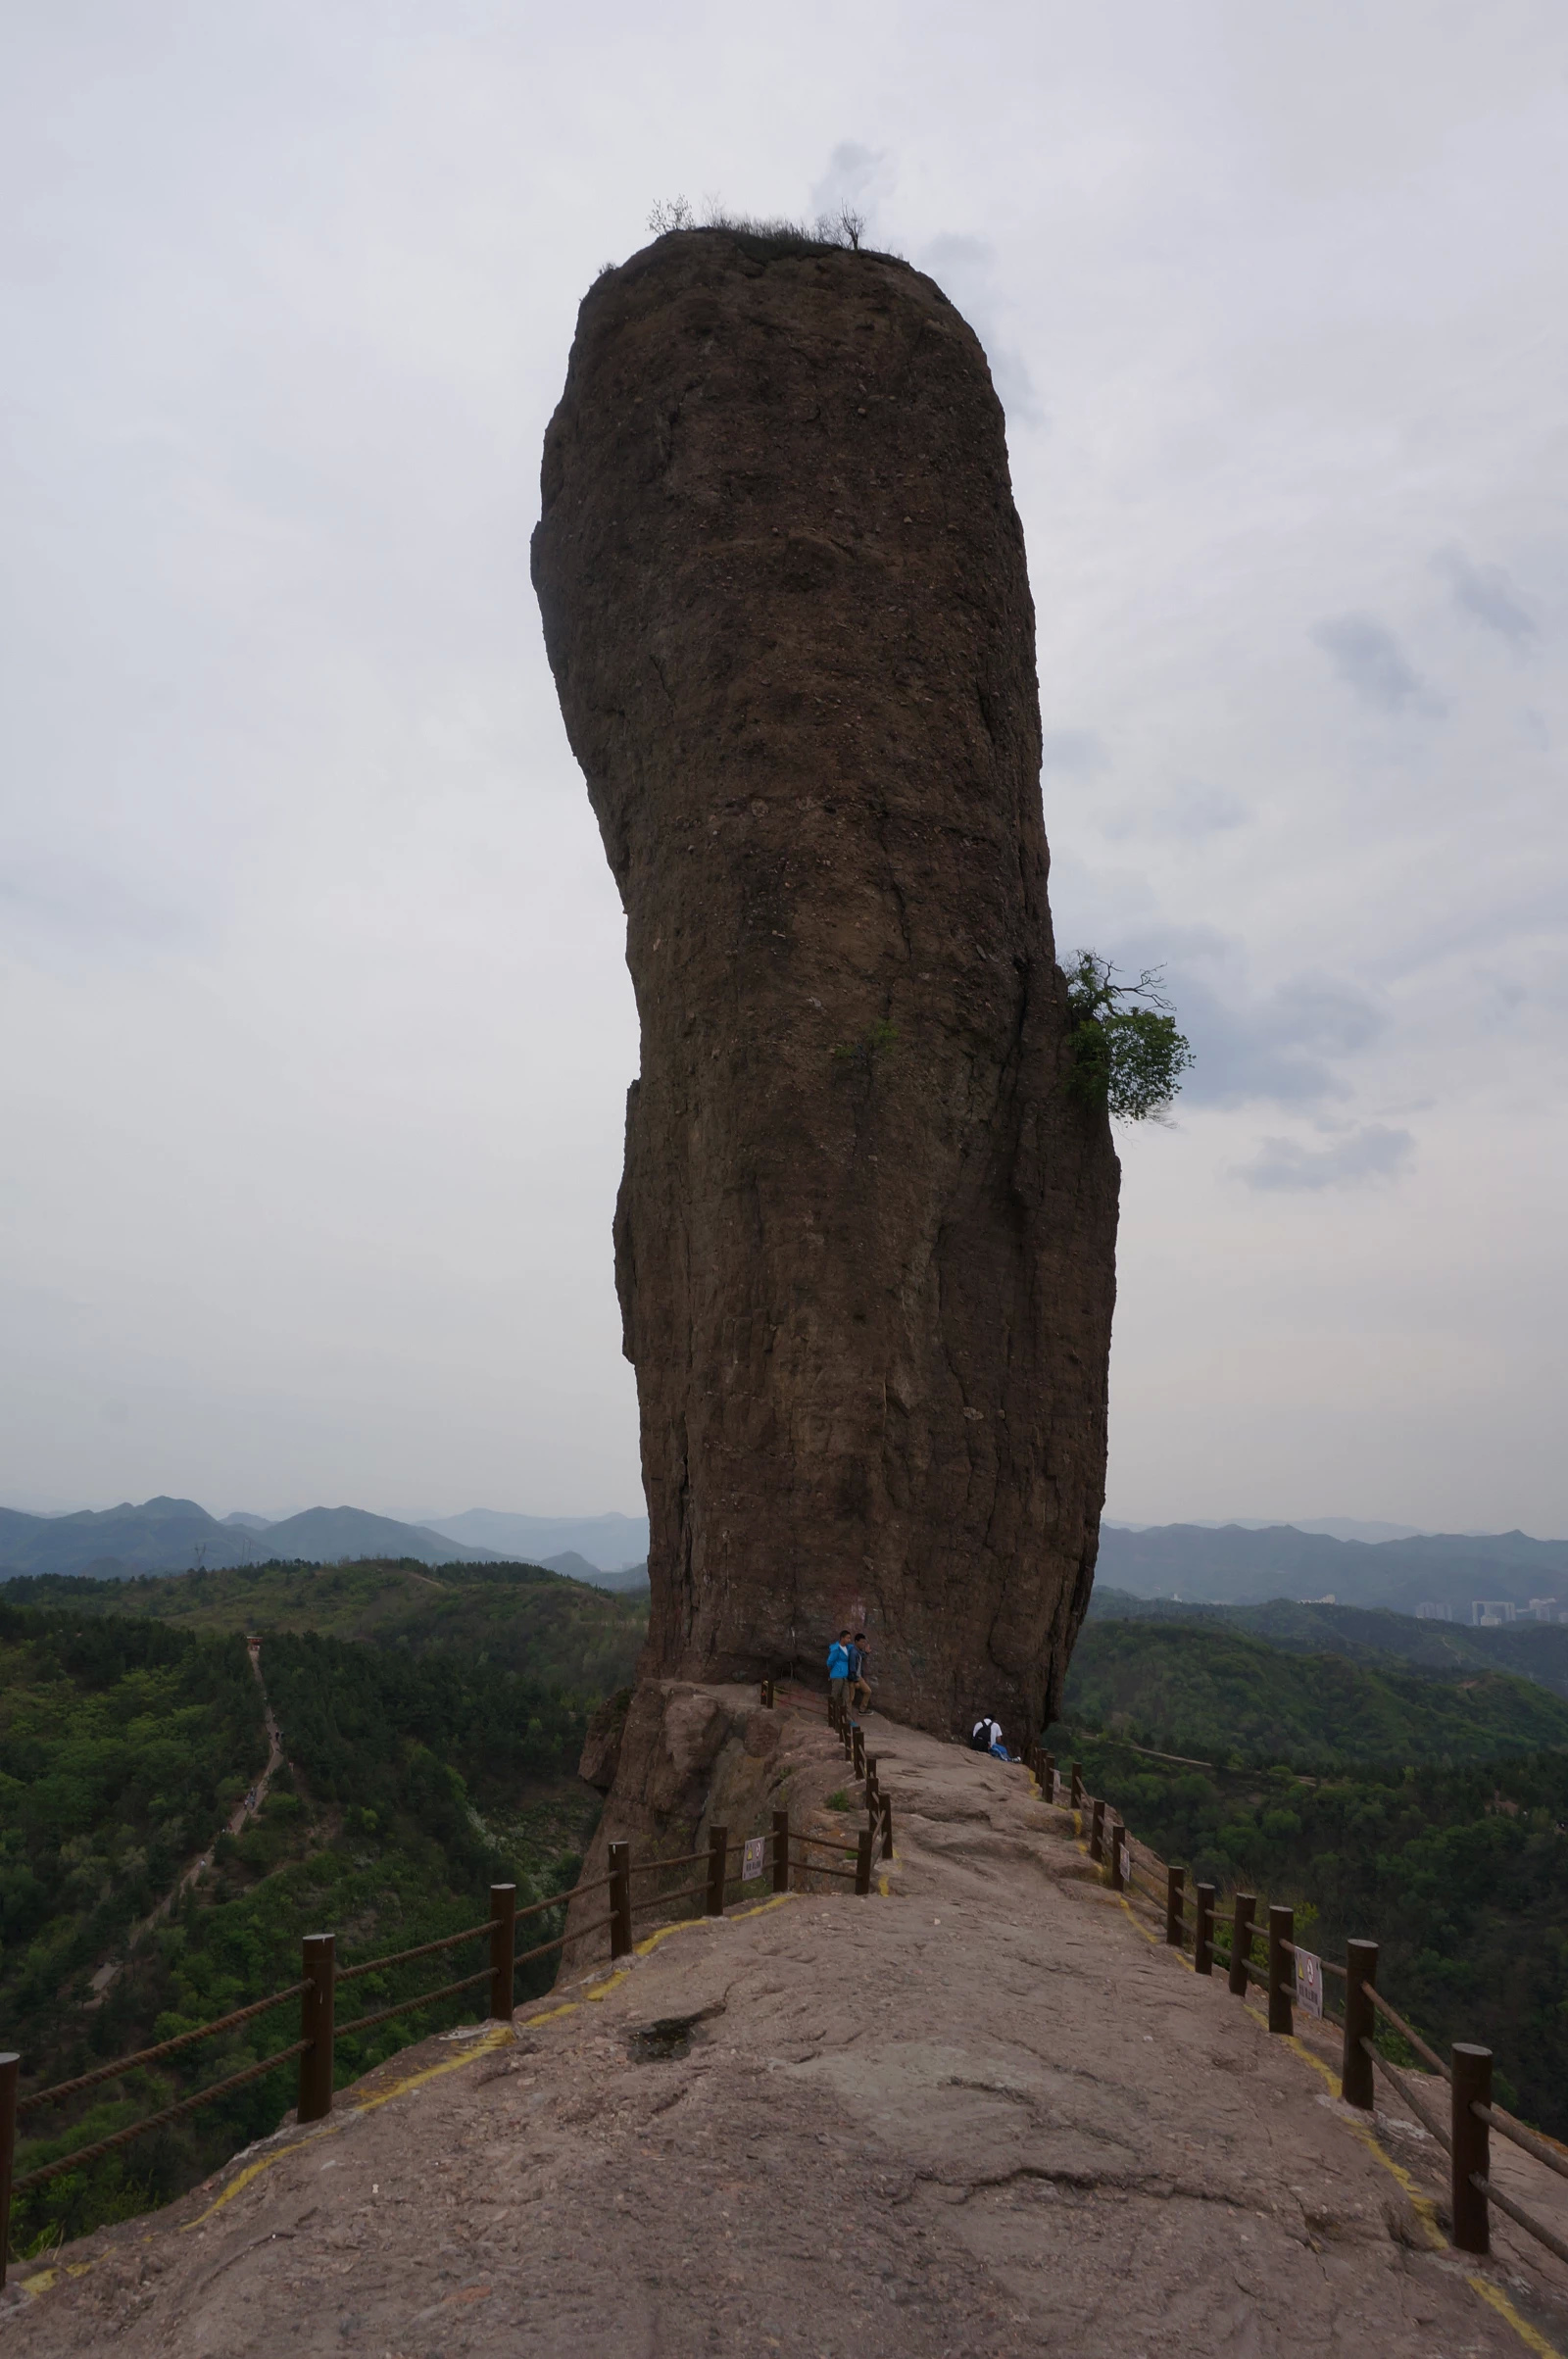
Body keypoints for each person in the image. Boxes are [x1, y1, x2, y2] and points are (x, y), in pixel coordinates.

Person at [826, 1629, 852, 1711]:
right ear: (842, 1638)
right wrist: (830, 1673)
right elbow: (829, 1662)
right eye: (847, 1638)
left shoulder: (847, 1648)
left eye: (849, 1638)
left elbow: (856, 1648)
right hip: (837, 1675)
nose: (849, 1640)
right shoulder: (836, 1649)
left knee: (846, 1697)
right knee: (835, 1695)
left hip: (844, 1676)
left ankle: (846, 1717)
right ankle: (831, 1714)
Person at [850, 1631, 871, 1714]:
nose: (863, 1644)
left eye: (864, 1642)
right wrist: (855, 1681)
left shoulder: (858, 1651)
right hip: (853, 1678)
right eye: (861, 1642)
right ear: (856, 1642)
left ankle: (862, 1709)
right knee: (850, 1698)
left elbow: (862, 1656)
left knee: (868, 1691)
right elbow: (852, 1668)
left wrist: (866, 1652)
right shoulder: (853, 1652)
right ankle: (847, 1715)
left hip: (859, 1677)